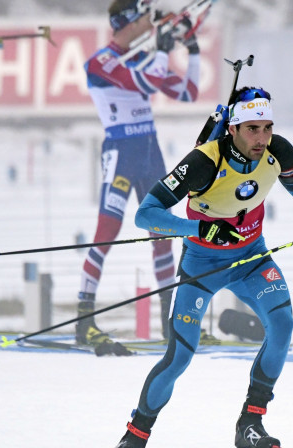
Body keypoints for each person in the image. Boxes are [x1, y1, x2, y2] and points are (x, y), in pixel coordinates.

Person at [115, 86, 293, 447]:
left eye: (267, 127)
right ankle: (136, 435)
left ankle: (249, 424)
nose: (262, 138)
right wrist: (199, 228)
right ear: (233, 129)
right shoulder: (203, 161)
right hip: (202, 264)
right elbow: (146, 215)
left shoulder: (278, 152)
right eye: (253, 128)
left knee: (282, 326)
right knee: (179, 357)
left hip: (252, 260)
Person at [76, 0, 203, 355]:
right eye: (146, 16)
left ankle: (168, 323)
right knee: (108, 229)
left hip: (149, 151)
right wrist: (162, 51)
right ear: (128, 21)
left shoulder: (140, 56)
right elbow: (145, 80)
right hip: (121, 152)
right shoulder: (102, 61)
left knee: (162, 234)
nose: (151, 21)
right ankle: (84, 318)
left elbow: (188, 92)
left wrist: (190, 50)